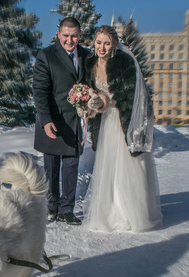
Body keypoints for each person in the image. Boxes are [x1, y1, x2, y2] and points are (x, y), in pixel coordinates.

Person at [82, 25, 163, 232]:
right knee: (107, 167)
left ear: (114, 44)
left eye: (106, 43)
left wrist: (106, 102)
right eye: (99, 42)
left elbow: (131, 96)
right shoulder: (90, 64)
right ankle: (108, 212)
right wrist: (91, 104)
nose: (102, 47)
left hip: (121, 121)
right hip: (104, 122)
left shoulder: (124, 63)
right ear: (94, 42)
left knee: (125, 166)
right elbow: (87, 92)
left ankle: (128, 214)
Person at [33, 17, 90, 225]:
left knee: (71, 166)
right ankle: (51, 206)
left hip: (75, 122)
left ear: (79, 36)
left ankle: (67, 209)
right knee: (51, 166)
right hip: (53, 121)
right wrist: (45, 120)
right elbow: (39, 91)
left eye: (74, 36)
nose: (69, 40)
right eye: (65, 35)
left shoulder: (86, 55)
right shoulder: (46, 56)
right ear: (58, 34)